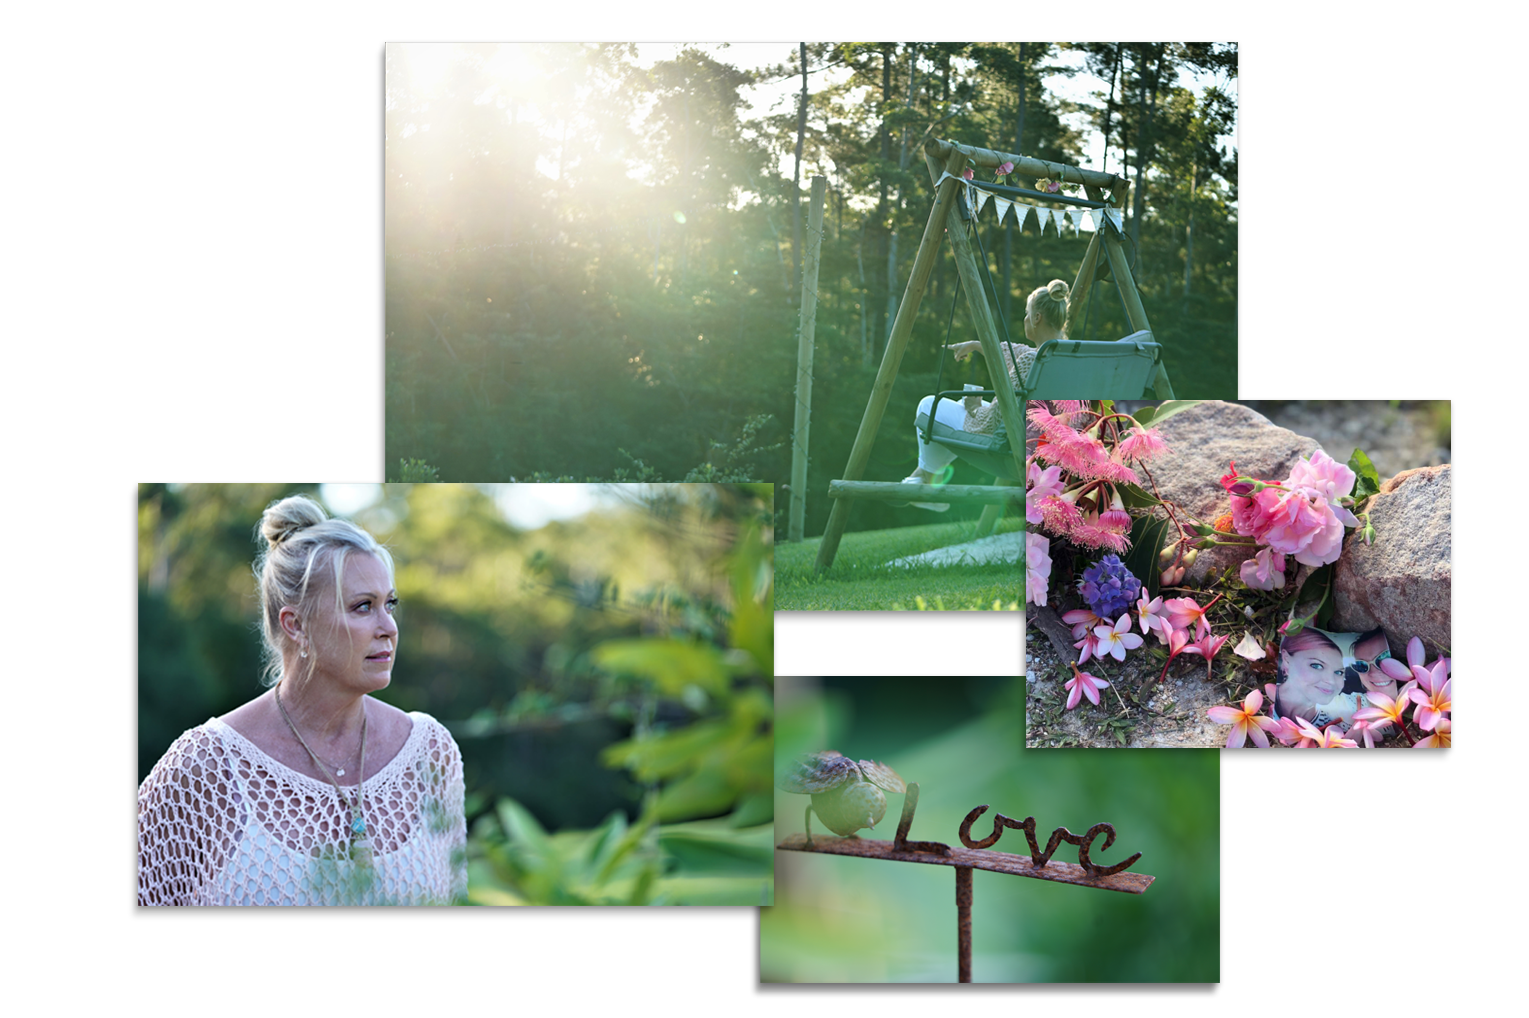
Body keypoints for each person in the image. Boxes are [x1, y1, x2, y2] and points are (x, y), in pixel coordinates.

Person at [137, 494, 467, 905]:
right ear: (296, 624)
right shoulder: (203, 770)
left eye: (390, 604)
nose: (388, 627)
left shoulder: (430, 752)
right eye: (363, 607)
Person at [897, 280, 1070, 508]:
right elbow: (1014, 351)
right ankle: (921, 476)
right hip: (1050, 441)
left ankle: (926, 482)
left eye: (1027, 314)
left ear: (1037, 318)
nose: (1025, 319)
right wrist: (977, 345)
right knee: (958, 407)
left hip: (1010, 443)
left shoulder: (1031, 362)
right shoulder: (1066, 356)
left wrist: (973, 408)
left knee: (928, 406)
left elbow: (997, 418)